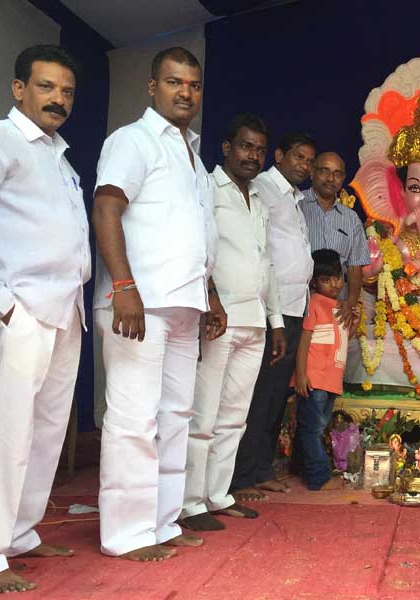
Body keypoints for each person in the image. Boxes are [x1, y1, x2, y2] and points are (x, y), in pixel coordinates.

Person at [93, 47, 224, 562]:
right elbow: (107, 207)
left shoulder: (193, 155)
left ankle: (161, 521)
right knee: (133, 419)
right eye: (174, 82)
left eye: (192, 84)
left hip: (184, 305)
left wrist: (209, 294)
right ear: (152, 86)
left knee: (174, 416)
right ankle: (126, 534)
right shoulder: (133, 140)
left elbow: (198, 235)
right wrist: (124, 286)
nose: (184, 92)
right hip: (138, 305)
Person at [0, 44, 89, 594]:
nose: (58, 99)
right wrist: (1, 304)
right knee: (5, 431)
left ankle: (21, 533)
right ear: (19, 88)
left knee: (45, 432)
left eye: (67, 91)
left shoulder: (61, 158)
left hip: (66, 309)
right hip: (19, 308)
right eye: (46, 87)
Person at [179, 114, 286, 531]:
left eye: (259, 149)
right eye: (245, 146)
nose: (253, 155)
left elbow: (267, 263)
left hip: (254, 319)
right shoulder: (207, 188)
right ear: (226, 148)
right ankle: (190, 503)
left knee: (234, 416)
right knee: (203, 414)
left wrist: (276, 320)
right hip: (218, 319)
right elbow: (196, 248)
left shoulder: (258, 199)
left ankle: (218, 495)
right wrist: (210, 299)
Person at [231, 133, 316, 501]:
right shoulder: (264, 188)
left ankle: (261, 469)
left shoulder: (294, 198)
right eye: (298, 156)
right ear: (279, 155)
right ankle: (241, 475)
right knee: (257, 396)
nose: (304, 165)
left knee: (275, 399)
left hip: (295, 307)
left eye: (309, 160)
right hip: (270, 310)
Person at [293, 249, 350, 490]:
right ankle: (318, 478)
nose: (334, 284)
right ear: (315, 282)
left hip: (332, 378)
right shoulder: (315, 302)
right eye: (326, 280)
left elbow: (343, 340)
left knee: (315, 427)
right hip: (314, 377)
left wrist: (353, 321)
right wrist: (301, 374)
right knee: (312, 429)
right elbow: (304, 340)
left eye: (337, 277)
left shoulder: (340, 306)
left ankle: (302, 470)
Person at [301, 152, 369, 329]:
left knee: (331, 356)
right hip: (300, 306)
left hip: (337, 309)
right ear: (312, 172)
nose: (330, 178)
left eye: (337, 174)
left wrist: (351, 301)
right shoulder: (295, 204)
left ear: (343, 178)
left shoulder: (351, 218)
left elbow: (355, 265)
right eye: (324, 171)